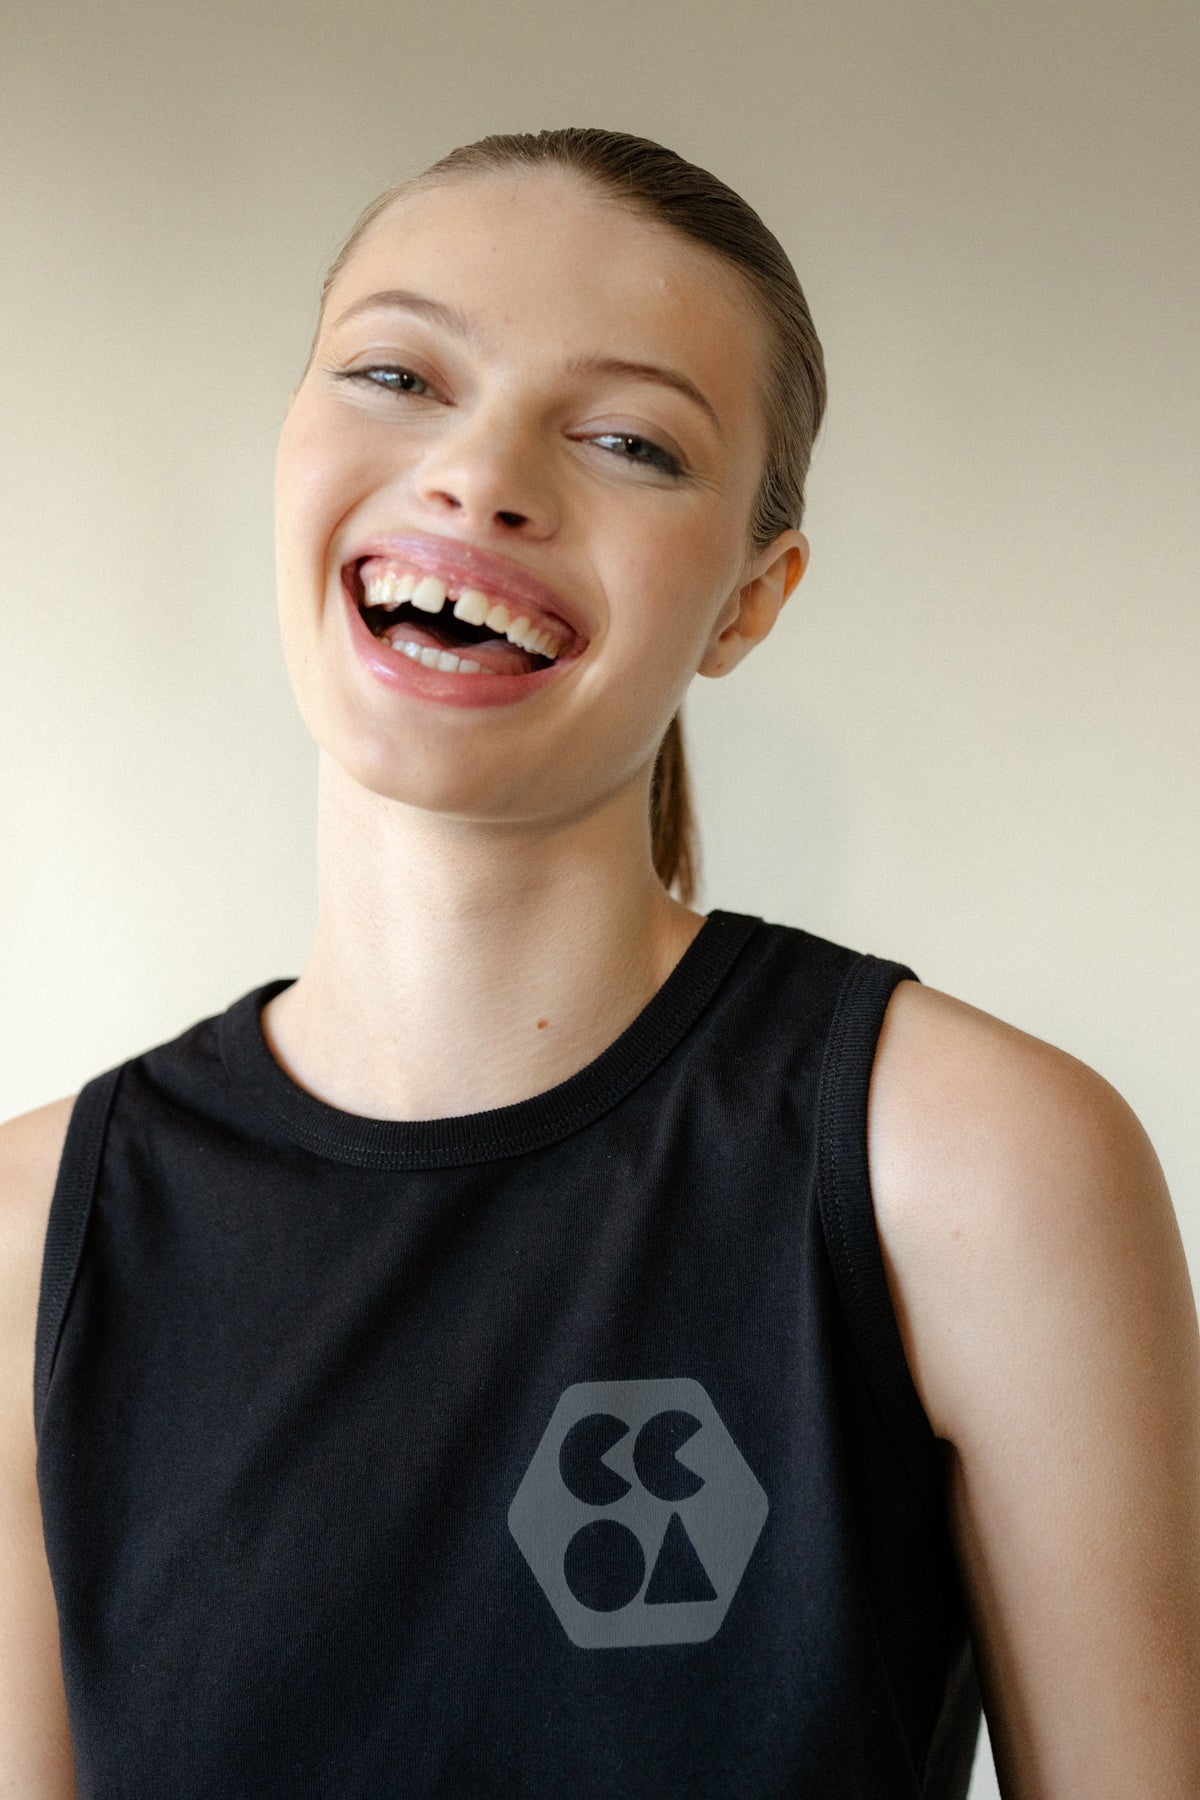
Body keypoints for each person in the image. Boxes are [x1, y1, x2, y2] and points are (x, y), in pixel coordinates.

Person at [1, 127, 1197, 1800]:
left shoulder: (982, 1169)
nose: (480, 476)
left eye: (632, 439)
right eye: (399, 372)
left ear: (746, 604)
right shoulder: (31, 1234)